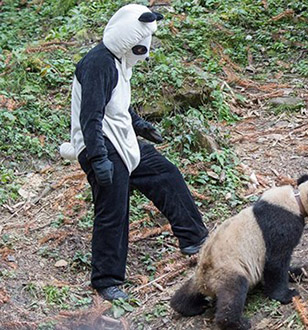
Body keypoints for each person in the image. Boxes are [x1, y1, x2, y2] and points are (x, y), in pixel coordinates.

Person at [61, 4, 208, 301]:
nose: (143, 50)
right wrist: (98, 158)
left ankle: (195, 239)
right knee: (113, 210)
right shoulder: (97, 63)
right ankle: (106, 279)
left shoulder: (118, 62)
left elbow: (117, 103)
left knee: (165, 173)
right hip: (99, 144)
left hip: (123, 140)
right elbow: (91, 115)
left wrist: (139, 124)